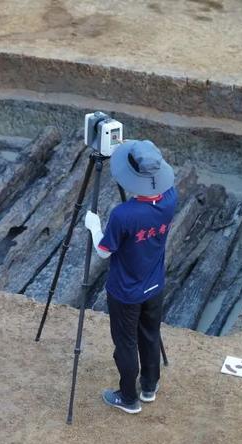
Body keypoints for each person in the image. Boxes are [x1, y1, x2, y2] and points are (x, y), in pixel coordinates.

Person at [84, 139, 177, 414]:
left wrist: (93, 227)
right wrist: (133, 147)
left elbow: (103, 251)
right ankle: (149, 387)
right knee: (150, 334)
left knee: (125, 343)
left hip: (125, 292)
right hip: (155, 284)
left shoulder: (124, 214)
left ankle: (128, 398)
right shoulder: (171, 197)